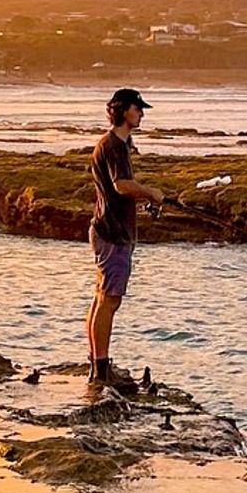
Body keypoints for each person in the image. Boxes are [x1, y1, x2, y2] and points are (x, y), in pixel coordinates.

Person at [86, 88, 159, 398]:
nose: (141, 113)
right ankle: (101, 370)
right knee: (109, 301)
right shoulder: (114, 146)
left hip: (109, 230)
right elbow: (121, 185)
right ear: (122, 110)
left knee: (101, 299)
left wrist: (142, 199)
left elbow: (118, 191)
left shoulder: (116, 145)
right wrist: (151, 192)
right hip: (113, 234)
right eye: (137, 108)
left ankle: (98, 364)